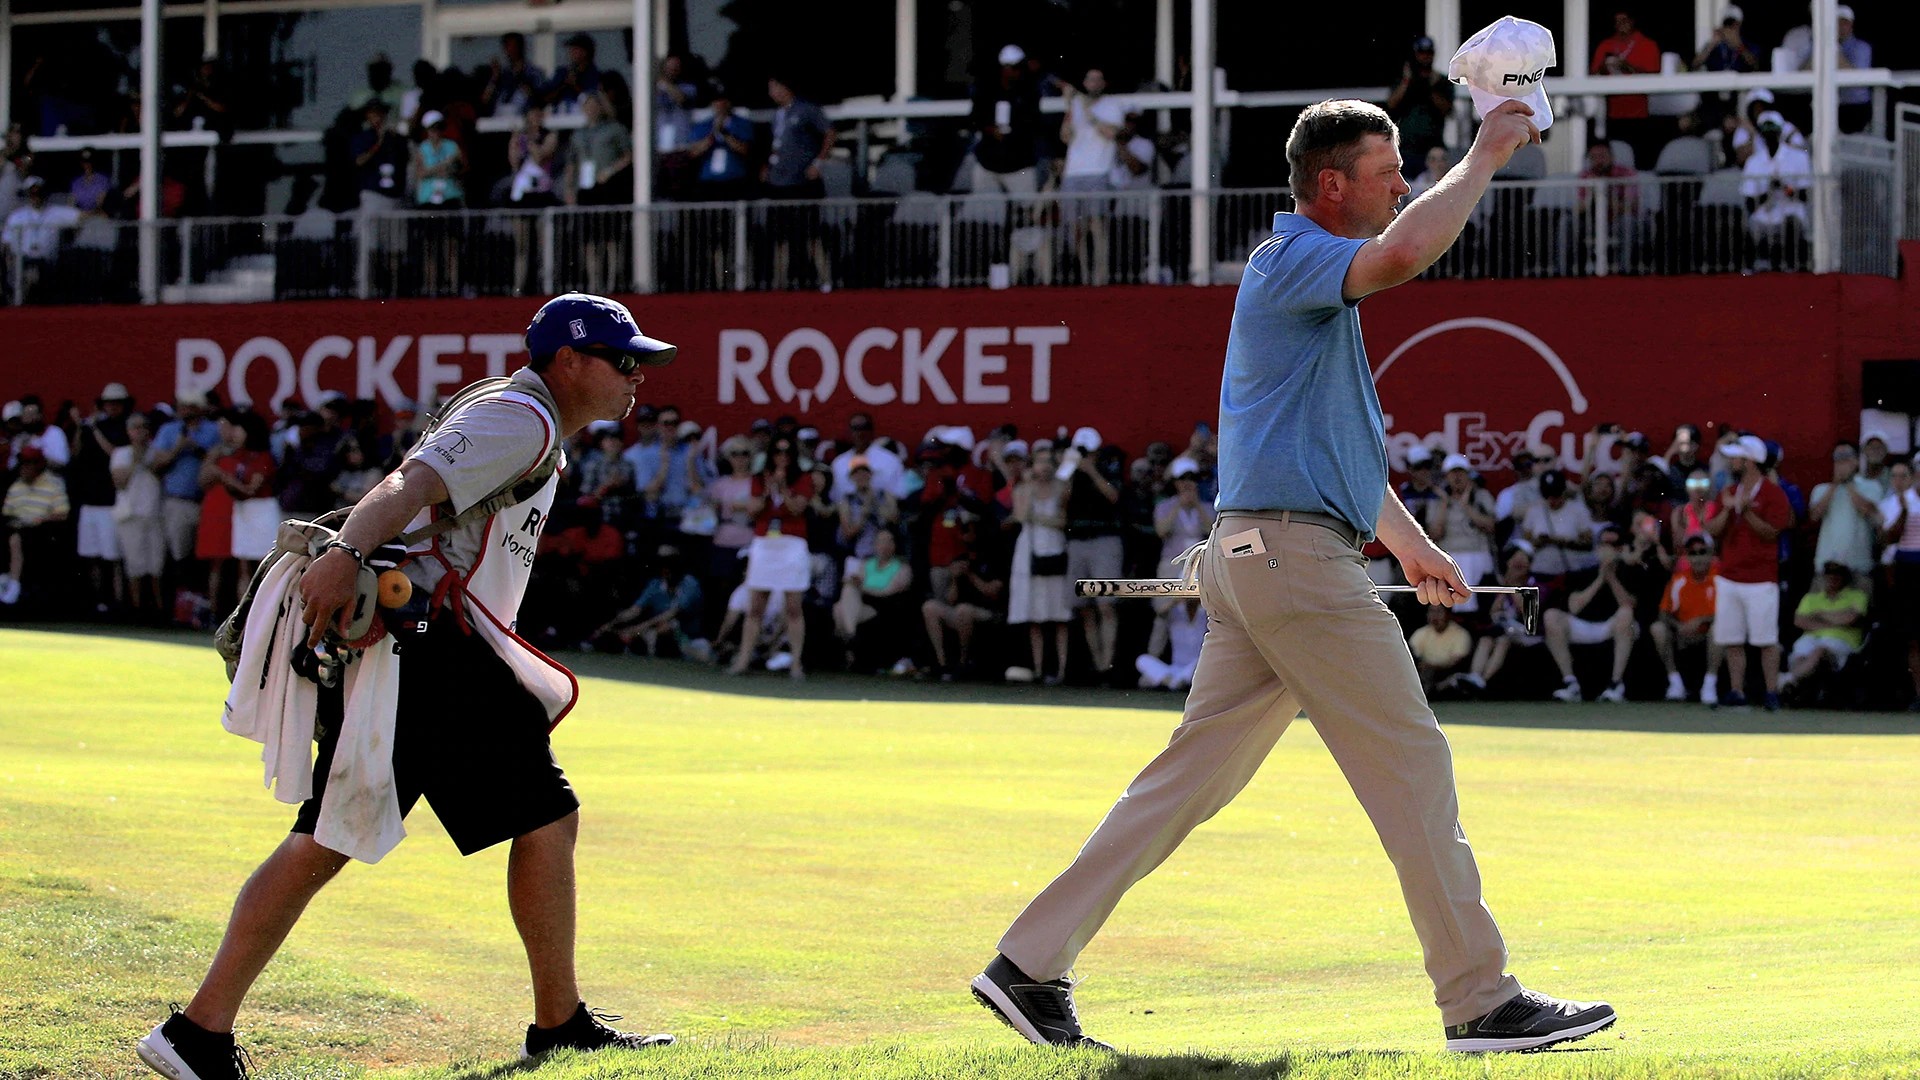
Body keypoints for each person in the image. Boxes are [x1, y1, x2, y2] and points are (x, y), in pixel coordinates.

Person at [971, 93, 1613, 1053]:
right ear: (1330, 185)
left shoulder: (1298, 275)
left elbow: (1335, 460)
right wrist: (1483, 154)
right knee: (1412, 766)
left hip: (1265, 557)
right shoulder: (1302, 262)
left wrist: (1407, 543)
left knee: (1186, 783)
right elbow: (1401, 255)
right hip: (1293, 564)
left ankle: (1027, 964)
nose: (1401, 186)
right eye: (1386, 171)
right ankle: (1480, 1002)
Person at [135, 293, 680, 1080]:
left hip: (424, 645)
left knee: (340, 835)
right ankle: (556, 1026)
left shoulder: (528, 420)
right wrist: (346, 553)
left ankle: (199, 1031)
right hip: (431, 647)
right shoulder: (521, 417)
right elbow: (409, 483)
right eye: (624, 361)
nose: (638, 378)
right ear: (569, 360)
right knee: (531, 819)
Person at [1704, 434, 1793, 711]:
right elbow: (1713, 530)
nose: (1732, 462)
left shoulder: (1773, 494)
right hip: (1729, 575)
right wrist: (1730, 510)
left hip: (1761, 579)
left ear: (1750, 461)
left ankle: (1771, 693)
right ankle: (1736, 691)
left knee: (1766, 640)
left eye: (1736, 457)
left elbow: (1773, 532)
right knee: (1732, 639)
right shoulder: (1728, 492)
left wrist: (1747, 512)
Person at [728, 436, 811, 679]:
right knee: (756, 606)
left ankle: (796, 663)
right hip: (765, 542)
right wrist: (767, 490)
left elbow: (797, 508)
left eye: (787, 452)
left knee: (793, 606)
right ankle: (743, 660)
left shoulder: (803, 479)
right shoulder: (759, 478)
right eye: (778, 451)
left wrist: (783, 488)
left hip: (792, 543)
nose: (782, 456)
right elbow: (753, 510)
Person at [1005, 440, 1071, 685]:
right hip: (1030, 549)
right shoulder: (1024, 488)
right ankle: (1038, 668)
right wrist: (1030, 484)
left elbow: (1062, 520)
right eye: (1040, 461)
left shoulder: (1061, 488)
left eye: (1048, 461)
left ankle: (1061, 670)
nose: (1044, 466)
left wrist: (1041, 519)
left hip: (1055, 547)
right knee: (1034, 613)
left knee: (1059, 612)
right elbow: (1022, 515)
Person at [590, 545, 709, 660]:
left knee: (665, 628)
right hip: (653, 632)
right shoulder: (655, 584)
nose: (666, 568)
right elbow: (635, 610)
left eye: (670, 563)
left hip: (689, 639)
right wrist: (610, 624)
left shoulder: (690, 584)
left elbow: (671, 614)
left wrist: (637, 629)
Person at [1780, 562, 1868, 702]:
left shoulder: (1857, 596)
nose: (1833, 577)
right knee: (1802, 654)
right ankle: (1795, 685)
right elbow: (1799, 621)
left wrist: (1819, 614)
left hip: (1842, 642)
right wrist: (1835, 619)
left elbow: (1850, 618)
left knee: (1820, 650)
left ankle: (1790, 679)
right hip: (1811, 639)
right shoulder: (1811, 598)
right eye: (1829, 574)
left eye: (1837, 574)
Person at [832, 526, 915, 673]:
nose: (884, 545)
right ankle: (851, 638)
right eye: (880, 541)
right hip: (864, 603)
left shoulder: (902, 567)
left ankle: (849, 647)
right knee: (842, 602)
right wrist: (854, 583)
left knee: (841, 608)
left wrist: (861, 587)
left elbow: (887, 592)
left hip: (886, 605)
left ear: (895, 545)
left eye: (888, 541)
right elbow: (856, 584)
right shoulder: (866, 564)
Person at [1650, 534, 1721, 703]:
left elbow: (1727, 613)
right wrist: (1678, 626)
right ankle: (1675, 683)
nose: (1698, 558)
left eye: (1702, 552)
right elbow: (1664, 613)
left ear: (1711, 554)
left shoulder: (1720, 579)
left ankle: (1709, 685)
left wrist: (1701, 620)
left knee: (1720, 629)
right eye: (1692, 553)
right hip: (1682, 634)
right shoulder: (1679, 580)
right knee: (1657, 628)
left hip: (1708, 633)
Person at [111, 410, 166, 623]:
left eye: (143, 427)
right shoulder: (121, 454)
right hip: (130, 516)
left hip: (153, 515)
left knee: (156, 565)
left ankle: (159, 611)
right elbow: (120, 482)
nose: (140, 432)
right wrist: (136, 459)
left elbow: (162, 465)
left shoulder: (155, 452)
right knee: (135, 564)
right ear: (128, 431)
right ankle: (136, 610)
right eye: (135, 428)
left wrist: (146, 457)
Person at [0, 446, 68, 607]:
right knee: (12, 535)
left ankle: (14, 585)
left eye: (28, 464)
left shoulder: (53, 485)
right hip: (18, 527)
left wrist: (41, 519)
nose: (24, 468)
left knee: (16, 539)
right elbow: (7, 512)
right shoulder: (17, 486)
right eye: (23, 464)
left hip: (43, 530)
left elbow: (62, 513)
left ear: (38, 465)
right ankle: (5, 577)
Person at [1879, 458, 1920, 710]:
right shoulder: (1894, 503)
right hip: (1907, 573)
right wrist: (1904, 511)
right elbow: (1888, 539)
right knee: (1913, 638)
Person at [1409, 603, 1473, 693]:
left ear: (1448, 614)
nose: (1435, 616)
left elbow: (1456, 662)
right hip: (1425, 673)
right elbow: (1412, 656)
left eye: (1439, 612)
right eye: (1431, 612)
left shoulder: (1460, 633)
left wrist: (1432, 667)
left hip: (1448, 672)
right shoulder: (1420, 633)